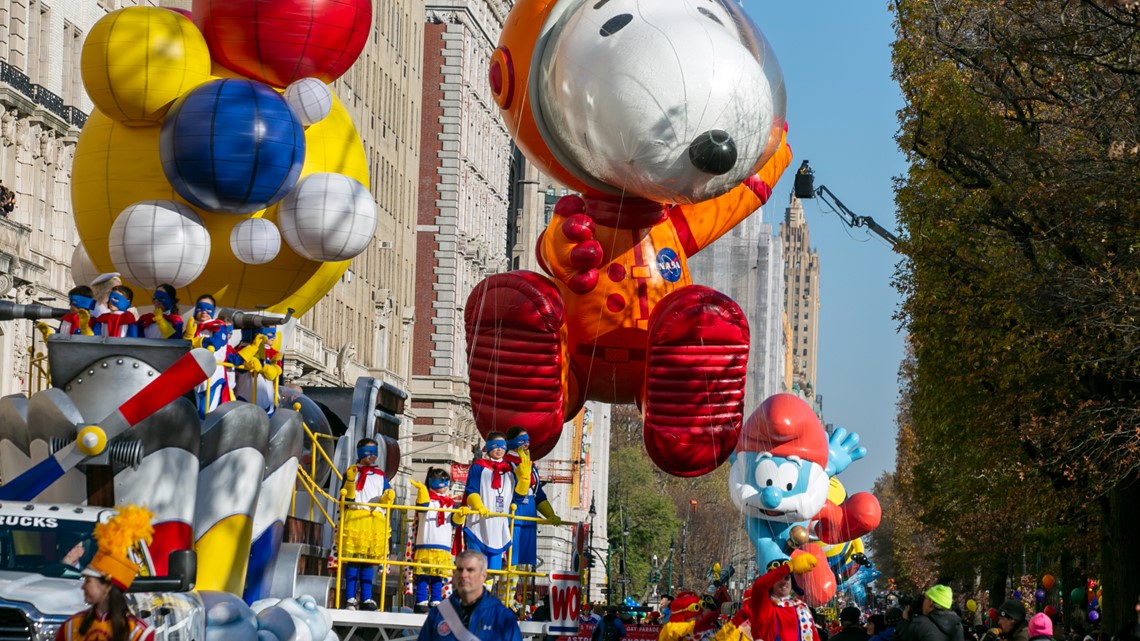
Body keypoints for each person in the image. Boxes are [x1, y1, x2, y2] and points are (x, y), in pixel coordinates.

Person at [55, 505, 155, 641]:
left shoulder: (138, 633)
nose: (83, 586)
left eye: (88, 581)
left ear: (107, 587)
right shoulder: (71, 626)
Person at [462, 431, 531, 579]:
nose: (499, 449)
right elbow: (471, 489)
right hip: (478, 524)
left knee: (494, 570)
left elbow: (517, 499)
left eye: (502, 446)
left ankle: (486, 597)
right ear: (487, 448)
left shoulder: (510, 470)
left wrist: (524, 480)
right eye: (495, 446)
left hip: (499, 526)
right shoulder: (478, 466)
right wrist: (478, 505)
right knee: (475, 566)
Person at [418, 549, 522, 641]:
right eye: (459, 569)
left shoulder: (503, 618)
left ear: (483, 576)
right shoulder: (438, 614)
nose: (463, 575)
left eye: (470, 570)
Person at [339, 438, 394, 611]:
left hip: (374, 522)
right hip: (356, 519)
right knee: (353, 561)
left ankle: (367, 598)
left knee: (368, 562)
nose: (373, 457)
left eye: (375, 453)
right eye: (369, 452)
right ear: (361, 452)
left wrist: (388, 497)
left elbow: (386, 494)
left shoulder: (380, 475)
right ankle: (349, 598)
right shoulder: (352, 472)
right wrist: (349, 481)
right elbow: (347, 499)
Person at [410, 467, 465, 613]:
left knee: (437, 576)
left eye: (447, 482)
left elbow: (454, 523)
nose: (446, 485)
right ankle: (421, 601)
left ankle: (435, 600)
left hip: (443, 545)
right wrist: (422, 490)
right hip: (426, 543)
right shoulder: (427, 500)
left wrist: (461, 514)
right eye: (442, 481)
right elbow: (422, 507)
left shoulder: (449, 503)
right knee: (423, 575)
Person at [184, 295, 238, 416]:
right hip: (193, 378)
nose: (204, 312)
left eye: (208, 309)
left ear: (213, 310)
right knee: (192, 413)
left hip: (213, 376)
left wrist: (194, 341)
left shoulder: (220, 326)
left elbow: (215, 342)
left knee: (207, 412)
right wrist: (187, 336)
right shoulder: (192, 326)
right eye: (200, 308)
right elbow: (181, 348)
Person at [747, 553, 821, 641]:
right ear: (771, 582)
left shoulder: (801, 607)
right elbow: (759, 586)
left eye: (786, 578)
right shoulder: (764, 606)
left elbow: (814, 637)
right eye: (779, 578)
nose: (783, 582)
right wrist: (789, 567)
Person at [234, 326, 284, 414]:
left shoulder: (274, 353)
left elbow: (277, 372)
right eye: (270, 334)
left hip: (267, 398)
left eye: (274, 334)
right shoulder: (244, 349)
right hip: (246, 394)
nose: (274, 337)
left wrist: (269, 368)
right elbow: (238, 363)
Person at [897, 586, 965, 641]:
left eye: (925, 598)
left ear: (931, 602)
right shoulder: (958, 626)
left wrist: (905, 621)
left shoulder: (919, 624)